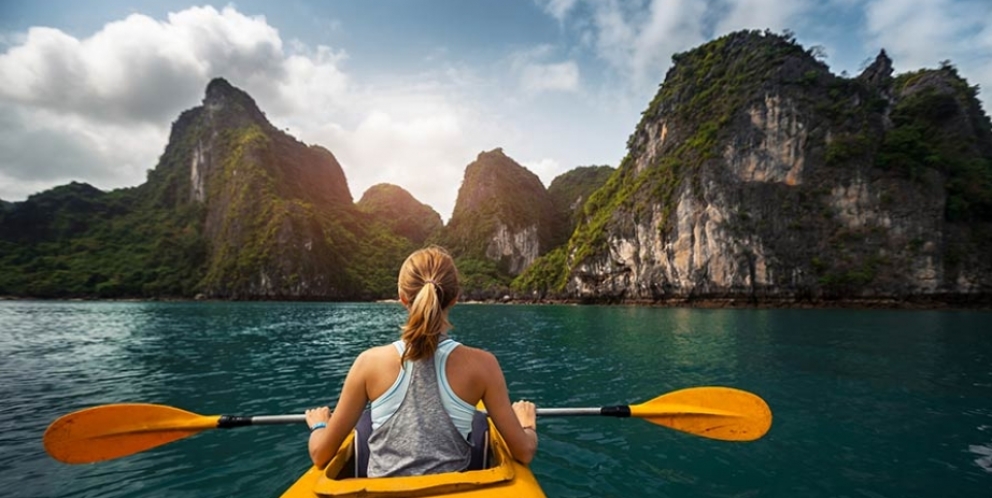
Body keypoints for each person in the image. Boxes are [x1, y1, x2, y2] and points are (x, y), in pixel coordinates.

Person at [304, 246, 538, 476]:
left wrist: (320, 426)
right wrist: (526, 423)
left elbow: (320, 454)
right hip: (451, 493)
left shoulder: (368, 363)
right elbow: (524, 452)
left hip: (382, 494)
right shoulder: (483, 365)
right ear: (455, 297)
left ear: (403, 298)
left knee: (364, 426)